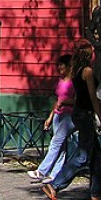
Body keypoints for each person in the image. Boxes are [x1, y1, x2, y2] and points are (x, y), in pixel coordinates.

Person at [42, 39, 101, 200]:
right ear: (87, 53)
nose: (93, 54)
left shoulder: (76, 71)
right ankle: (55, 185)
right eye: (91, 51)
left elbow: (78, 96)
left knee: (96, 155)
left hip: (78, 113)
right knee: (83, 156)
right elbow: (93, 97)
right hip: (85, 114)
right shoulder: (87, 72)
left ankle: (97, 192)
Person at [27, 55, 75, 183]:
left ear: (69, 67)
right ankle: (54, 175)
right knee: (61, 147)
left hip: (68, 117)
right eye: (58, 65)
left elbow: (78, 101)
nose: (59, 68)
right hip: (58, 115)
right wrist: (50, 117)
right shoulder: (60, 81)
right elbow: (57, 100)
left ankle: (41, 171)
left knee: (55, 143)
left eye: (61, 65)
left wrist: (66, 102)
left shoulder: (74, 83)